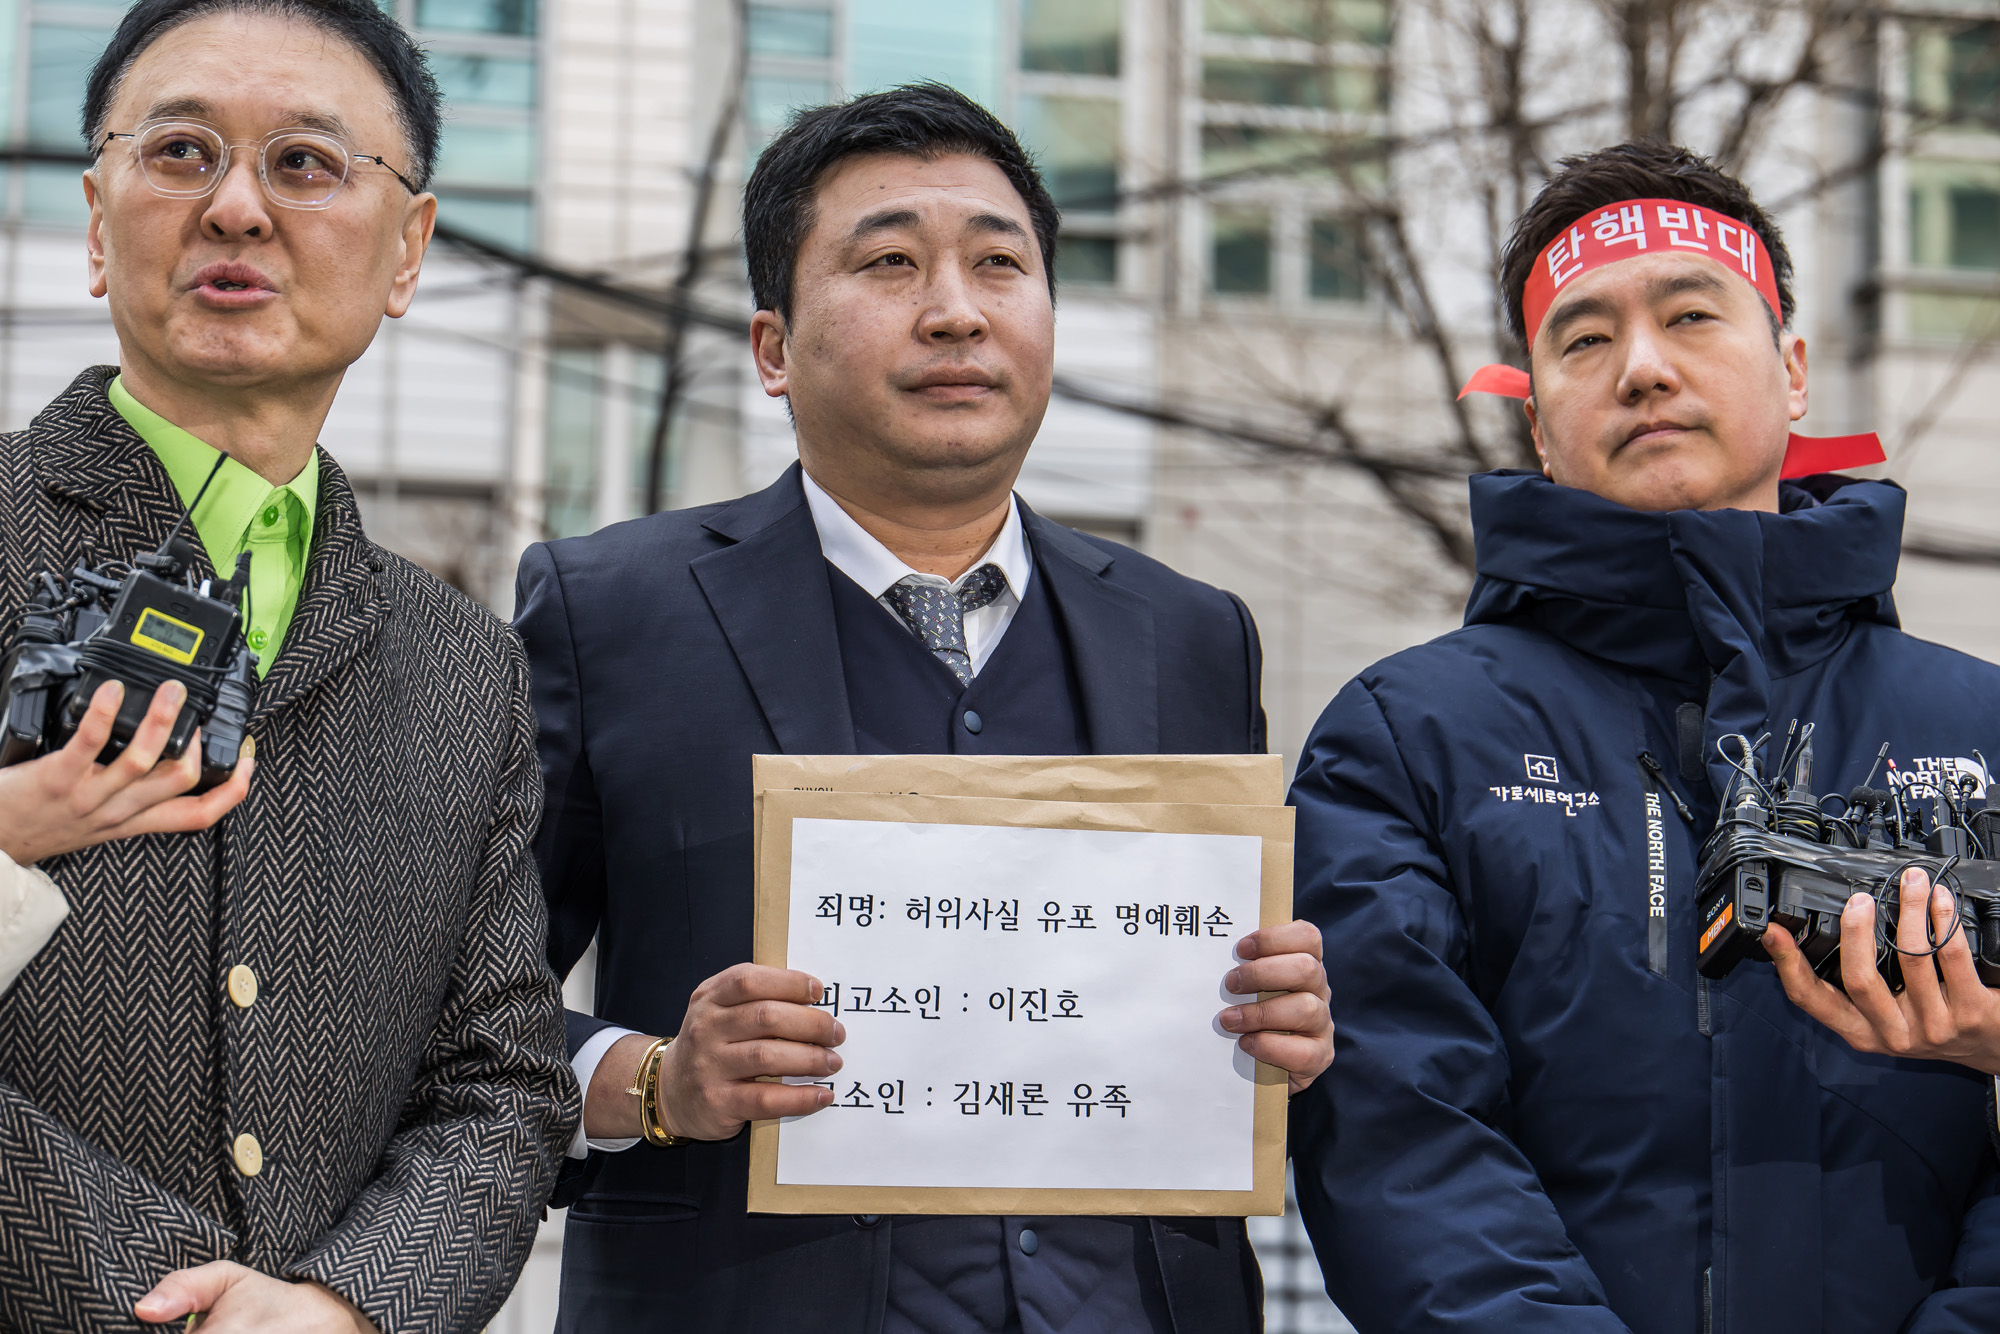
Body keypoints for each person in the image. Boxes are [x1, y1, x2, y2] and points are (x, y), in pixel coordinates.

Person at [515, 81, 1335, 1333]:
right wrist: (656, 1079)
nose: (955, 310)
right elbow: (466, 1009)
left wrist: (1279, 1022)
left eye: (998, 263)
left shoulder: (1190, 634)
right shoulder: (608, 611)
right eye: (889, 262)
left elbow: (1215, 1019)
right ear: (773, 346)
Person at [1288, 140, 2000, 1334]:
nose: (1641, 368)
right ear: (1537, 423)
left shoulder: (1973, 727)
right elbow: (1400, 1133)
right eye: (1581, 339)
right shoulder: (1407, 739)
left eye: (1689, 315)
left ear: (1791, 370)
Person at [0, 1, 577, 1329]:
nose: (240, 209)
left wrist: (347, 1303)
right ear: (98, 218)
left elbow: (501, 1077)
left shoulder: (463, 664)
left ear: (408, 248)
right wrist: (166, 1300)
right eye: (182, 153)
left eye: (307, 165)